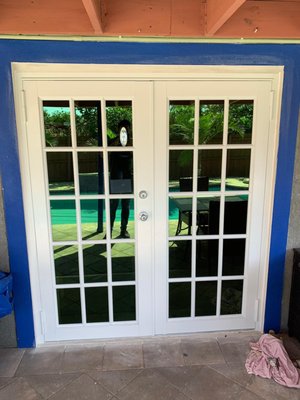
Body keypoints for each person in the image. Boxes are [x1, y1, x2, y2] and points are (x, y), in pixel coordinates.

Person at [109, 120, 132, 238]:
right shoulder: (112, 142)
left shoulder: (133, 142)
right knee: (113, 206)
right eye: (123, 129)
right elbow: (104, 152)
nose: (125, 131)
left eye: (127, 129)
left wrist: (128, 141)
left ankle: (123, 230)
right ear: (118, 130)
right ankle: (109, 232)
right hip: (116, 178)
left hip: (128, 178)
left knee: (125, 206)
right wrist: (120, 139)